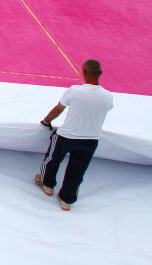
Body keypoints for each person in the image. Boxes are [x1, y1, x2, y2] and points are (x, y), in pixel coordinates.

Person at [36, 59, 113, 211]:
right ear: (100, 74)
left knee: (52, 160)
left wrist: (46, 120)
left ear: (84, 73)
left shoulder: (75, 91)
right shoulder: (108, 96)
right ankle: (67, 199)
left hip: (66, 136)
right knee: (77, 171)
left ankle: (47, 184)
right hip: (90, 140)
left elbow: (59, 109)